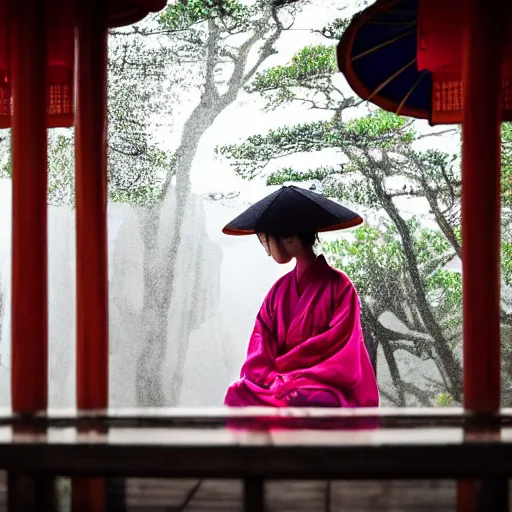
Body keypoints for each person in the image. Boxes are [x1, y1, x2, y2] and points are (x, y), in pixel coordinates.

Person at [222, 185, 379, 408]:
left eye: (267, 239)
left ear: (288, 237)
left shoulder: (340, 286)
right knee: (237, 393)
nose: (266, 247)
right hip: (280, 383)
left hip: (325, 384)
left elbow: (341, 351)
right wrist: (272, 379)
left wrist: (292, 378)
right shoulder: (278, 291)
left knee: (315, 400)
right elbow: (261, 346)